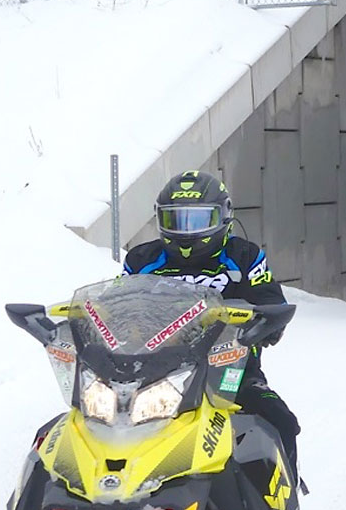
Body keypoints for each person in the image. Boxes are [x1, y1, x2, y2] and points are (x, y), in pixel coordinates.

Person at [123, 170, 302, 476]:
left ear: (224, 217)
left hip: (229, 371)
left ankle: (283, 501)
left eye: (197, 220)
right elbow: (120, 307)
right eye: (176, 220)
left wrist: (265, 323)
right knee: (90, 420)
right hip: (150, 372)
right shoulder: (141, 260)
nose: (186, 230)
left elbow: (271, 300)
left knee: (278, 419)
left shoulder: (244, 256)